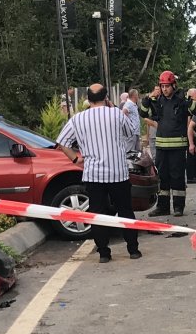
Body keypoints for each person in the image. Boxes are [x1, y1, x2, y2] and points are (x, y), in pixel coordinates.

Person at [55, 84, 142, 263]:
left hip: (93, 174)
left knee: (97, 213)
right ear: (106, 97)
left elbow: (62, 142)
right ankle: (133, 249)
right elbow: (129, 132)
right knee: (125, 211)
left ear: (88, 98)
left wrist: (75, 159)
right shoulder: (116, 114)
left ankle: (104, 253)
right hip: (118, 173)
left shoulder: (78, 119)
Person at [140, 70, 196, 217]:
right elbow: (144, 114)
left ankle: (179, 207)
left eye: (167, 86)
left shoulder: (180, 101)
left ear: (174, 85)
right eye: (162, 86)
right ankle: (163, 207)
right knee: (163, 178)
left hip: (177, 147)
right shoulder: (158, 101)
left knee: (177, 177)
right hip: (161, 147)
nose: (164, 89)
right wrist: (146, 101)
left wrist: (187, 99)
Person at [185, 88, 196, 184]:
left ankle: (194, 175)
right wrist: (193, 132)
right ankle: (191, 176)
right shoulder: (190, 106)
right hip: (191, 134)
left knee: (195, 156)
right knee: (192, 156)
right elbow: (188, 120)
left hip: (194, 133)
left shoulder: (195, 106)